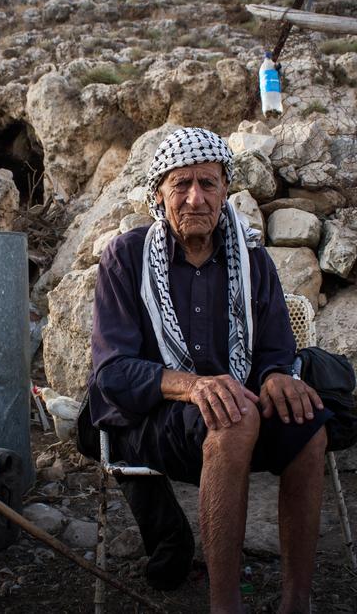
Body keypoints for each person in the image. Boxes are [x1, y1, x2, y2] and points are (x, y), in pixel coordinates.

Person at [86, 127, 331, 614]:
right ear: (160, 194)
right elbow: (112, 371)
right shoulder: (127, 257)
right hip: (152, 417)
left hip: (236, 406)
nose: (195, 198)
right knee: (234, 416)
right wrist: (194, 386)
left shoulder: (252, 259)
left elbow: (276, 349)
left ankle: (296, 603)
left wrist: (277, 376)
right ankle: (225, 606)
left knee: (308, 426)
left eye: (208, 183)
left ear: (224, 191)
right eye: (181, 184)